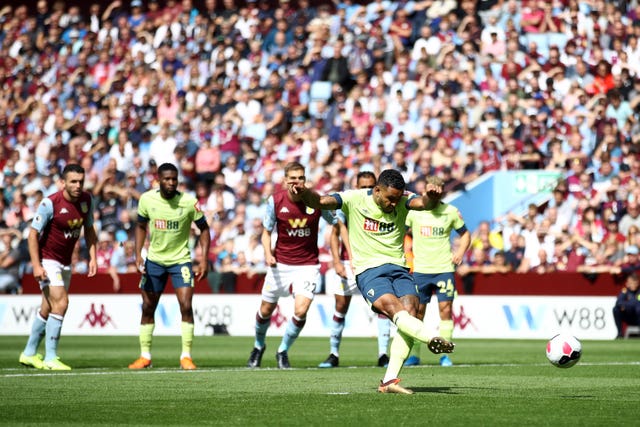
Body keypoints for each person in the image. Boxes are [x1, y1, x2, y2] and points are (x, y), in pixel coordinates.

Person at [294, 169, 454, 394]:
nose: (393, 204)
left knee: (411, 314)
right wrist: (304, 192)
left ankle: (389, 381)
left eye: (397, 200)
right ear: (376, 190)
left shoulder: (403, 200)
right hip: (370, 271)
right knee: (393, 308)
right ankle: (431, 338)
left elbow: (424, 204)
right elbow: (319, 201)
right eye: (389, 199)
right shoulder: (353, 198)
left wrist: (432, 197)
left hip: (399, 268)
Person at [247, 161, 336, 369]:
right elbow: (267, 232)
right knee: (266, 310)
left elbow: (334, 221)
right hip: (281, 264)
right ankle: (258, 346)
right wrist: (268, 254)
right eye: (293, 178)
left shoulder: (315, 201)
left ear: (305, 180)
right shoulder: (276, 201)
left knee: (301, 310)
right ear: (285, 181)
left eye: (300, 178)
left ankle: (283, 350)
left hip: (307, 265)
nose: (297, 182)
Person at [128, 163, 210, 370]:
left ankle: (186, 356)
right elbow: (140, 226)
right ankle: (145, 356)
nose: (171, 182)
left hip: (180, 260)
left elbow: (204, 229)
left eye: (174, 179)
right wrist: (138, 255)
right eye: (167, 179)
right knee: (148, 307)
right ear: (158, 180)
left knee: (186, 305)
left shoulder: (189, 202)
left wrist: (204, 259)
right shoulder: (147, 199)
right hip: (154, 261)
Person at [19, 164, 98, 370]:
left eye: (81, 181)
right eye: (73, 181)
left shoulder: (87, 200)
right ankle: (50, 357)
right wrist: (36, 266)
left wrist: (93, 257)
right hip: (48, 261)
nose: (78, 185)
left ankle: (28, 353)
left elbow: (89, 229)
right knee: (61, 303)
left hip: (65, 262)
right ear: (63, 182)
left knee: (47, 307)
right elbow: (33, 235)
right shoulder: (50, 203)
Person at [318, 171, 392, 368]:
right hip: (347, 264)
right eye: (362, 187)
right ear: (356, 187)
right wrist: (337, 262)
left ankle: (383, 354)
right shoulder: (348, 205)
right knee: (341, 307)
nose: (366, 190)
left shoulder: (383, 206)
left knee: (383, 307)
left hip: (374, 263)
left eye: (370, 186)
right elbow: (335, 234)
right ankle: (333, 354)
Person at [403, 175, 471, 367]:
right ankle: (414, 354)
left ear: (441, 191)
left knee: (446, 311)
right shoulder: (415, 212)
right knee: (417, 314)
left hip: (443, 269)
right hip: (420, 270)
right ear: (425, 190)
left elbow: (465, 234)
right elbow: (401, 232)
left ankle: (445, 355)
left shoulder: (450, 212)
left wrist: (459, 252)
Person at [612, 273, 640, 338]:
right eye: (631, 283)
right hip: (628, 316)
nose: (632, 285)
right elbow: (619, 302)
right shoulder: (625, 291)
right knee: (616, 309)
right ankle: (620, 333)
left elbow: (637, 303)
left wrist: (626, 305)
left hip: (637, 317)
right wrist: (625, 306)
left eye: (634, 283)